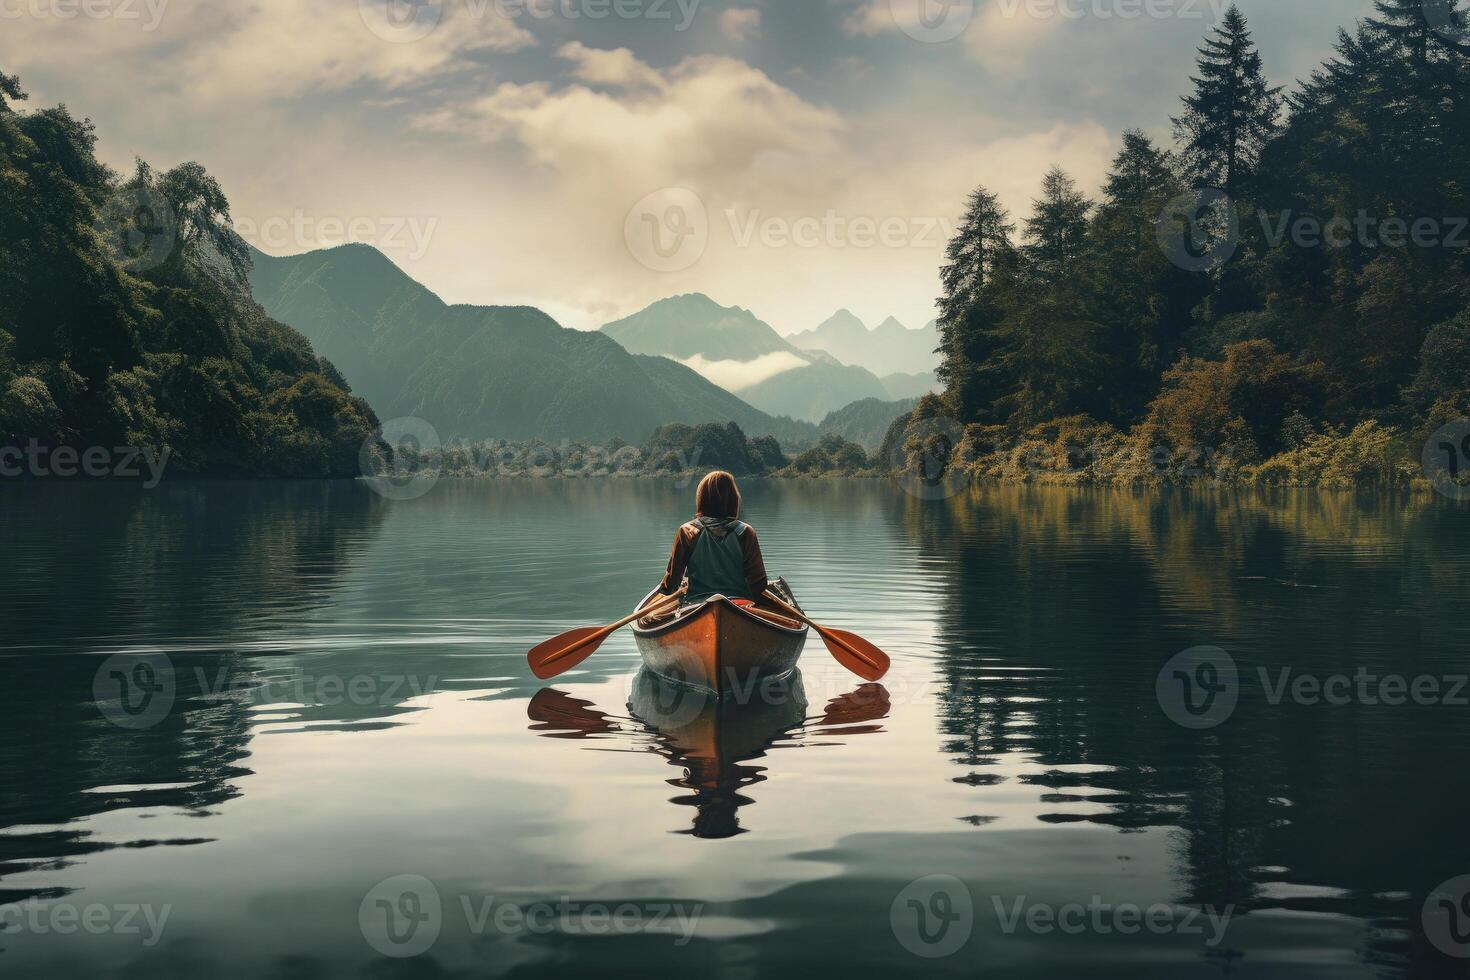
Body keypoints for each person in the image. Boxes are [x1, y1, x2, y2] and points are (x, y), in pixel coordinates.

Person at [658, 471, 768, 604]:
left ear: (702, 498)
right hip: (740, 604)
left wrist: (663, 598)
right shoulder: (745, 532)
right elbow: (758, 583)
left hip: (697, 604)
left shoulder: (687, 531)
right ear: (733, 499)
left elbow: (673, 580)